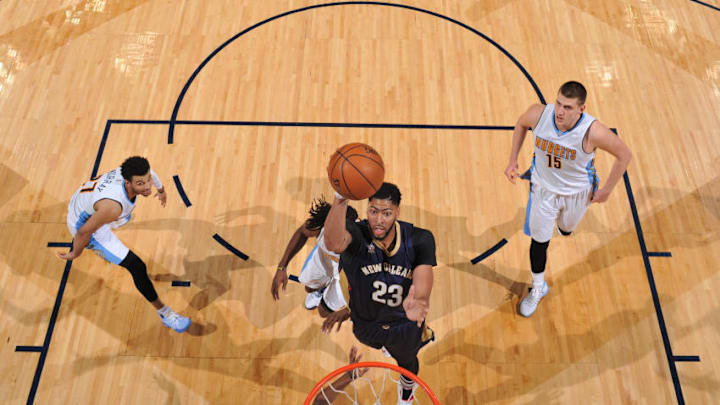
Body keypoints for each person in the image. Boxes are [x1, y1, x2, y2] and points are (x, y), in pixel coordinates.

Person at [504, 81, 632, 317]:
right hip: (543, 190)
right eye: (559, 103)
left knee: (566, 229)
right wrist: (513, 160)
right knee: (539, 240)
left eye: (568, 107)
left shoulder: (593, 131)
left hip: (577, 193)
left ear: (581, 109)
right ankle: (538, 287)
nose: (560, 111)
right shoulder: (539, 114)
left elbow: (624, 155)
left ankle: (564, 227)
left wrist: (607, 190)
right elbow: (521, 124)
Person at [323, 182, 436, 405]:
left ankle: (405, 398)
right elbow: (334, 242)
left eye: (387, 213)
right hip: (366, 323)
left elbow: (423, 273)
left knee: (408, 362)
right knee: (380, 344)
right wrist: (340, 197)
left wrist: (420, 299)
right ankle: (385, 347)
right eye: (373, 211)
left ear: (397, 212)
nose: (379, 219)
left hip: (402, 324)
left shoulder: (420, 239)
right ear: (367, 209)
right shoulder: (356, 234)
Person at [58, 156, 191, 332]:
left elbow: (151, 174)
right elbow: (84, 232)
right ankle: (165, 314)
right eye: (141, 184)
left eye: (148, 181)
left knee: (123, 215)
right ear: (128, 183)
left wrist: (161, 190)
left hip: (84, 201)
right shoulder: (113, 207)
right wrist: (75, 253)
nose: (147, 186)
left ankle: (109, 219)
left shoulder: (135, 172)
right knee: (137, 267)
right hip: (84, 225)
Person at [271, 197, 357, 323]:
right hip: (324, 263)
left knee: (323, 312)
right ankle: (319, 291)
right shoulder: (322, 226)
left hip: (345, 278)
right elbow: (302, 232)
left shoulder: (361, 245)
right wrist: (282, 267)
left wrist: (352, 310)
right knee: (309, 288)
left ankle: (326, 294)